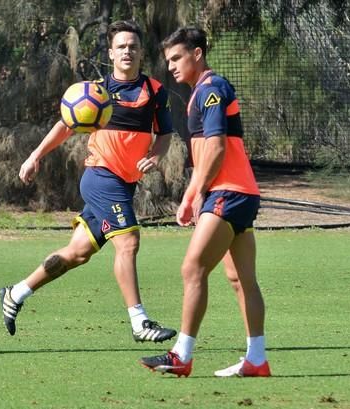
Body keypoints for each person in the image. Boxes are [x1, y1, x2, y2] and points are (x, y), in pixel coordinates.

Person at [0, 20, 177, 343]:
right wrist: (35, 155)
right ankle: (139, 322)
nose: (127, 51)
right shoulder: (95, 92)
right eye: (121, 46)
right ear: (111, 53)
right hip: (100, 177)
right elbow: (65, 126)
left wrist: (157, 156)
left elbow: (164, 135)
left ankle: (16, 293)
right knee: (129, 241)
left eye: (133, 46)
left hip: (125, 184)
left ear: (140, 53)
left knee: (77, 253)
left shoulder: (154, 91)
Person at [139, 27, 270, 377]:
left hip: (228, 192)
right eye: (168, 61)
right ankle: (257, 358)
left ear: (197, 54)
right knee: (241, 278)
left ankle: (181, 354)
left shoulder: (211, 89)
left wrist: (194, 193)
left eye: (177, 58)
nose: (171, 67)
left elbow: (216, 148)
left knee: (192, 268)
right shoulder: (202, 91)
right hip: (241, 193)